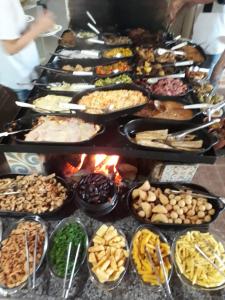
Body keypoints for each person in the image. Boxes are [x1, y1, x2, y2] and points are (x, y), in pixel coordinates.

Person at [0, 0, 54, 101]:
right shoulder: (4, 3)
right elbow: (10, 48)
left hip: (28, 73)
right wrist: (39, 28)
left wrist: (36, 25)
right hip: (17, 81)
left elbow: (16, 33)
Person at [169, 0, 225, 71]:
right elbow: (194, 3)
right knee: (186, 74)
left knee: (200, 78)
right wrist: (179, 9)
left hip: (212, 48)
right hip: (196, 43)